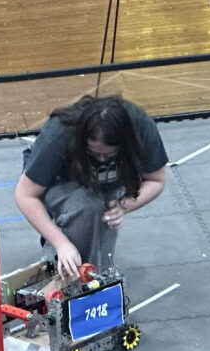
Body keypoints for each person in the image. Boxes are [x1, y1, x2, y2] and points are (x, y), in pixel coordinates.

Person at [15, 94, 168, 279]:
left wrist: (123, 206)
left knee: (106, 213)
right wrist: (61, 243)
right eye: (94, 153)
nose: (102, 159)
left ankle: (97, 274)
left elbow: (156, 181)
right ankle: (64, 271)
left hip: (110, 183)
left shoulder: (141, 128)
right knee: (86, 206)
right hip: (58, 179)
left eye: (108, 154)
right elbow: (25, 195)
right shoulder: (60, 134)